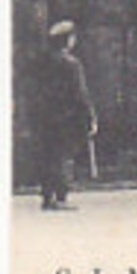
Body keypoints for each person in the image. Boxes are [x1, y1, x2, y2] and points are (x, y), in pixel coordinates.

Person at [32, 20, 95, 210]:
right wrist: (90, 116)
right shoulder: (71, 64)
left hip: (45, 117)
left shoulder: (42, 62)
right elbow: (80, 93)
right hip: (67, 118)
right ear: (67, 40)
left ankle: (47, 196)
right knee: (64, 156)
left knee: (47, 155)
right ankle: (61, 197)